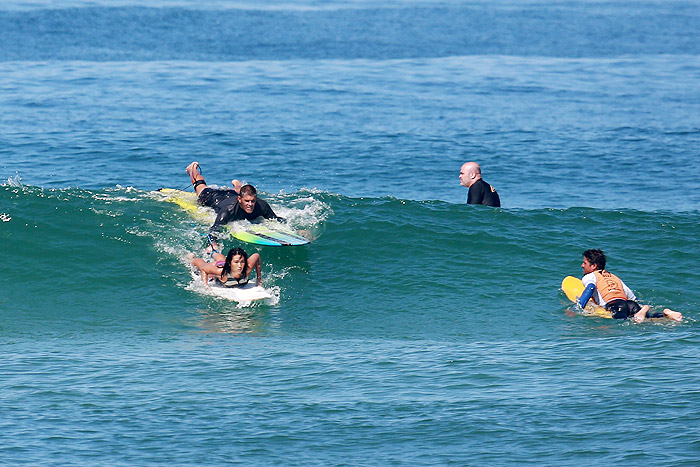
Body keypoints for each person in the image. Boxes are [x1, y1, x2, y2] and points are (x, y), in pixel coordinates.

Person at [186, 161, 280, 251]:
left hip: (232, 195)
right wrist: (214, 245)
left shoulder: (262, 206)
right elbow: (214, 230)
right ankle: (192, 169)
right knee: (199, 185)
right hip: (213, 197)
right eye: (247, 201)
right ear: (240, 200)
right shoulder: (228, 211)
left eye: (252, 201)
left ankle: (238, 186)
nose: (250, 204)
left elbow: (275, 219)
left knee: (242, 193)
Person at [578, 249, 682, 323]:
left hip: (616, 306)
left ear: (594, 266)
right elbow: (633, 298)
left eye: (585, 263)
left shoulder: (590, 276)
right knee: (647, 319)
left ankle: (648, 313)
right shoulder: (614, 277)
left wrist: (578, 307)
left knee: (625, 322)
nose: (582, 265)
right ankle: (665, 314)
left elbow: (590, 288)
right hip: (630, 303)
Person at [190, 247, 262, 288]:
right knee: (202, 264)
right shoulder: (221, 272)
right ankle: (191, 258)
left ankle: (212, 252)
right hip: (222, 266)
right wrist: (206, 285)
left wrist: (259, 280)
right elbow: (203, 269)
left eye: (242, 262)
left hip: (226, 263)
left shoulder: (247, 269)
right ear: (230, 263)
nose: (240, 265)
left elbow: (257, 256)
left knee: (222, 259)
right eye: (236, 262)